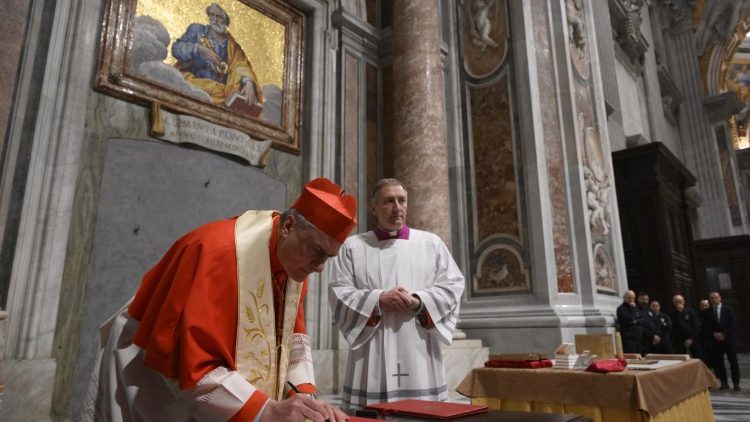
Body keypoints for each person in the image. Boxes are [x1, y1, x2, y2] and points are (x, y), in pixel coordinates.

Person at [82, 178, 357, 422]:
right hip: (151, 376)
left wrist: (305, 398)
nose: (319, 267)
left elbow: (291, 338)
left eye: (327, 257)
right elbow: (189, 365)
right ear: (288, 226)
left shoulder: (293, 261)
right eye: (317, 252)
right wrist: (267, 410)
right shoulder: (216, 255)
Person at [328, 178, 465, 408]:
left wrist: (419, 302)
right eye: (388, 201)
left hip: (419, 345)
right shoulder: (353, 247)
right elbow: (338, 291)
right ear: (374, 207)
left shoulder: (431, 244)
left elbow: (452, 286)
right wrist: (377, 299)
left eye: (402, 200)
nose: (397, 207)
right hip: (372, 347)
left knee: (422, 411)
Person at [172, 3, 264, 111]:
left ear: (226, 21)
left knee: (229, 95)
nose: (214, 19)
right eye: (211, 15)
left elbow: (240, 65)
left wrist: (248, 82)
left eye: (218, 17)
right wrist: (198, 49)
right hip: (195, 83)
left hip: (220, 93)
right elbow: (176, 49)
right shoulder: (197, 30)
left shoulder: (232, 46)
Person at [707, 292, 741, 391]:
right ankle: (724, 383)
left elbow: (733, 324)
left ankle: (736, 383)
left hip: (729, 340)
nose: (714, 300)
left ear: (720, 298)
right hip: (716, 341)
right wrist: (714, 334)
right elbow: (706, 326)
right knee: (719, 363)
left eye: (716, 297)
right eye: (712, 298)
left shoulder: (728, 309)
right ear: (710, 300)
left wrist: (724, 335)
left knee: (733, 362)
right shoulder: (708, 312)